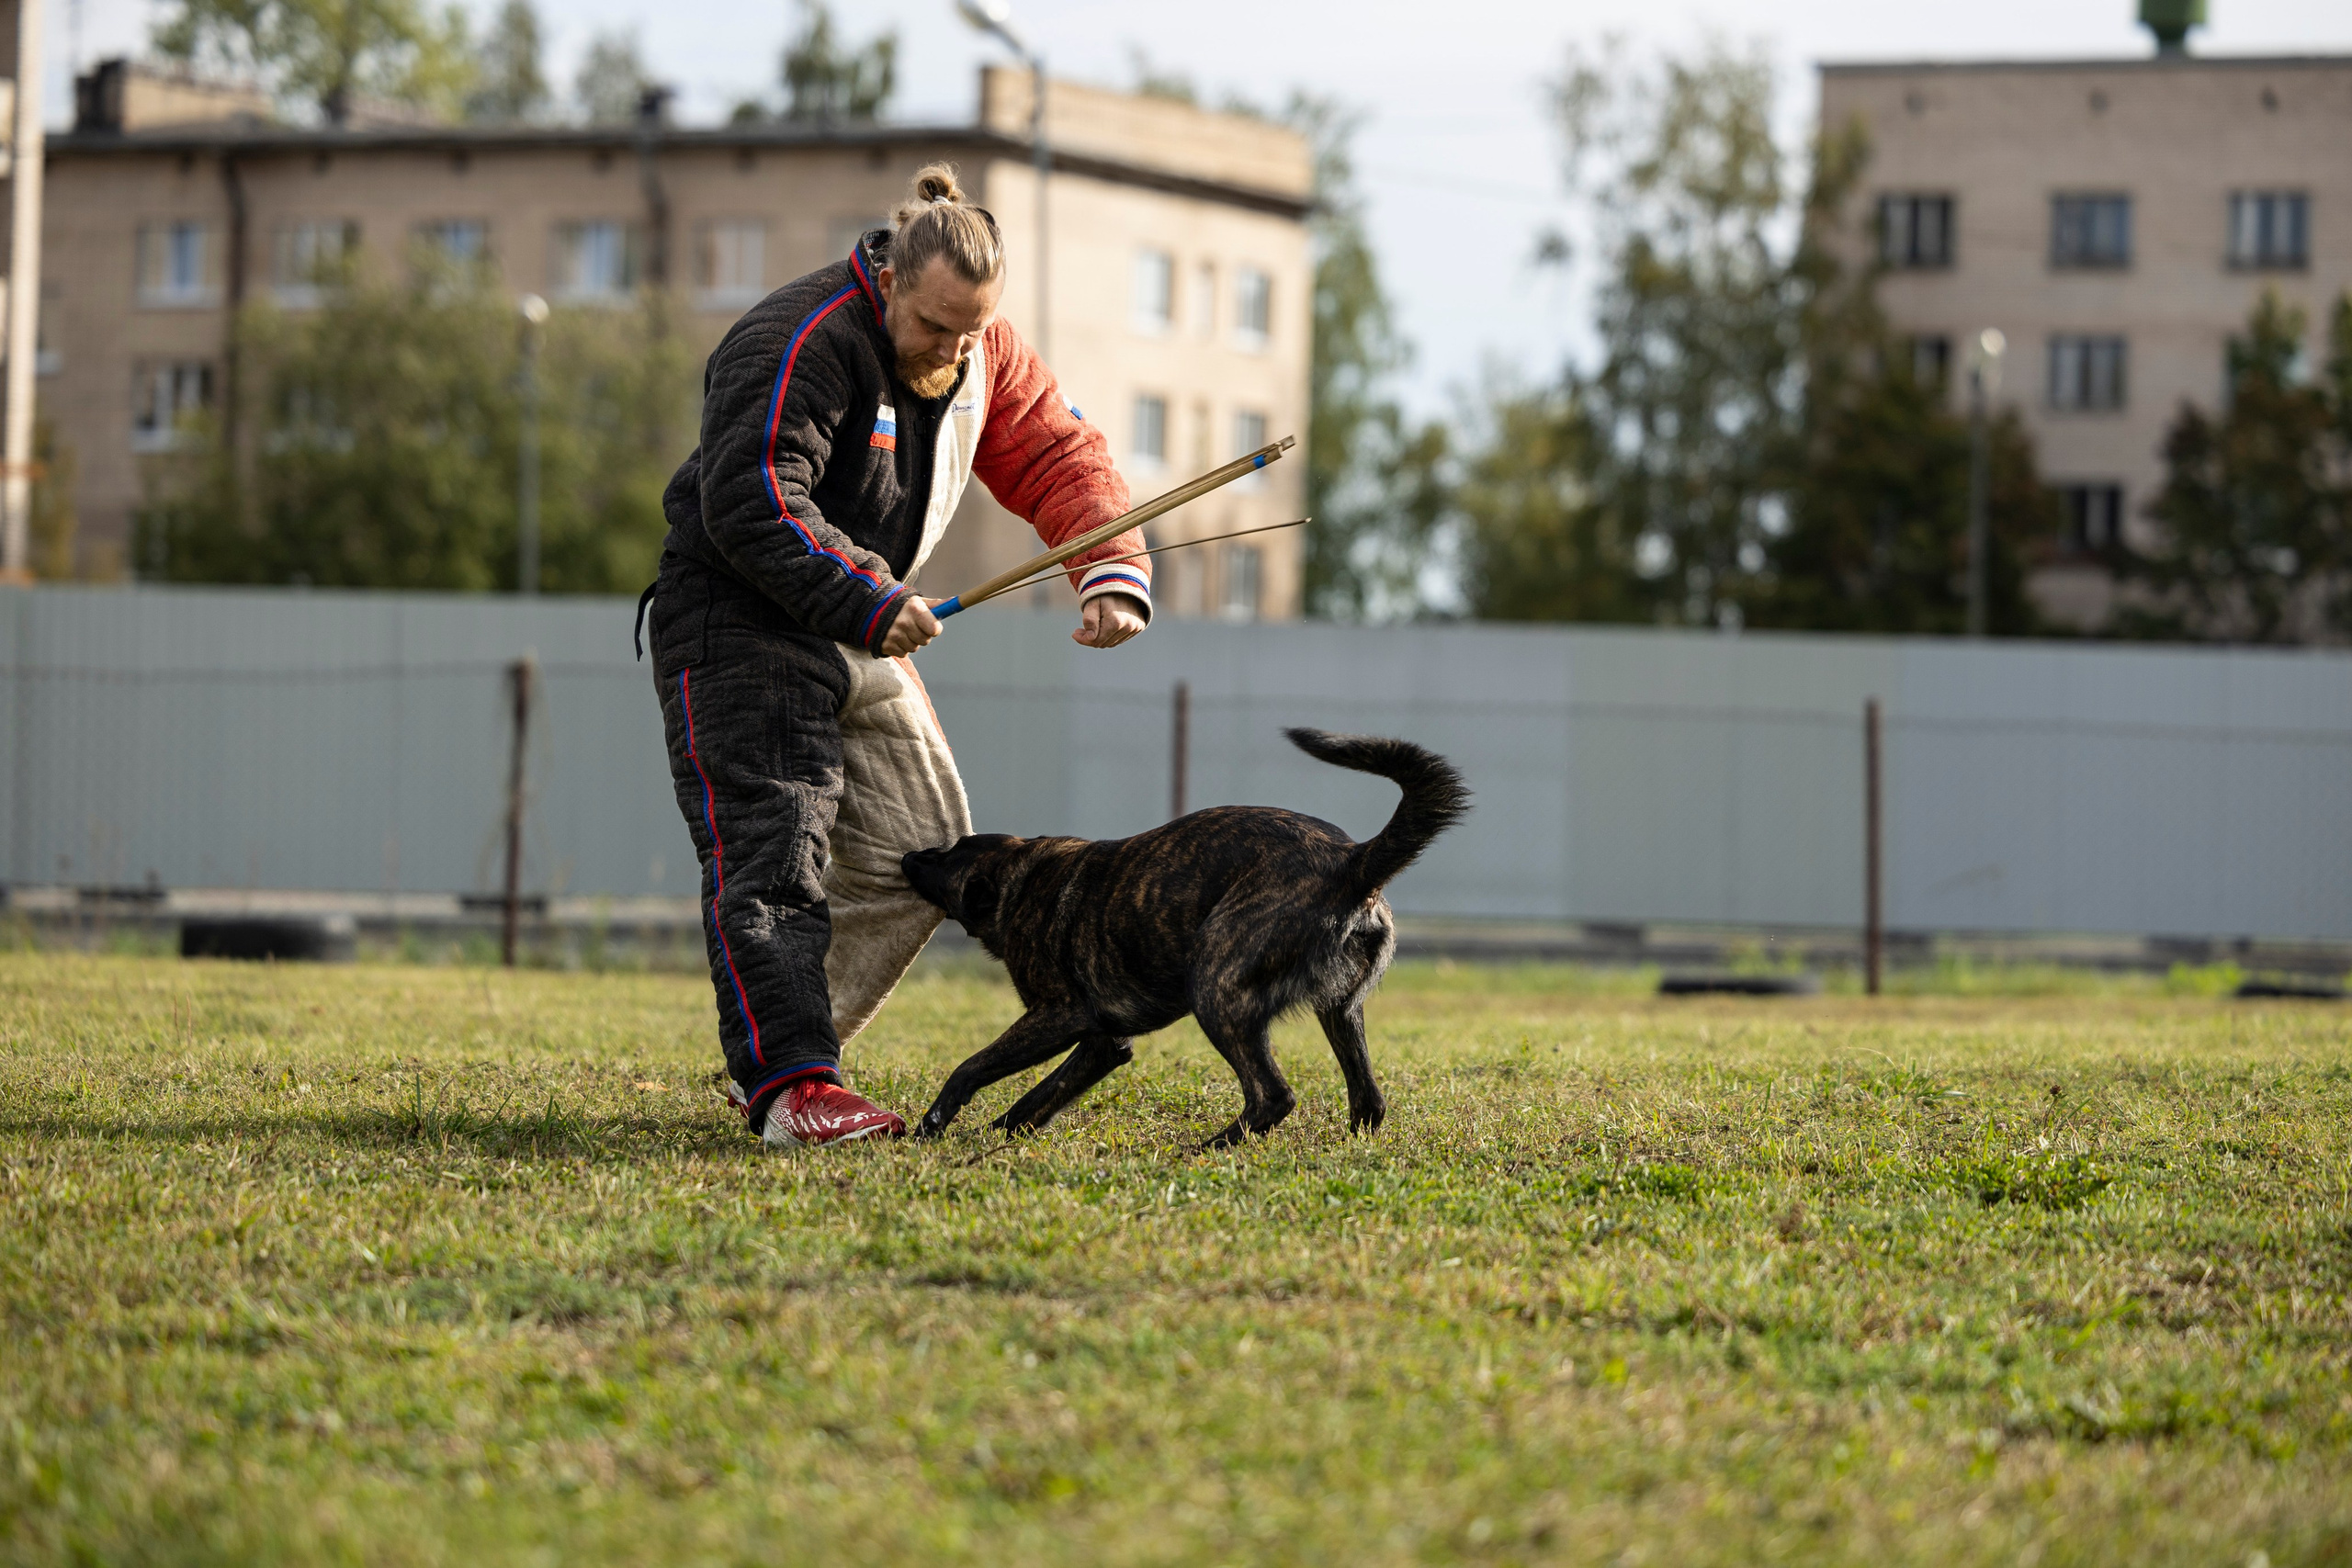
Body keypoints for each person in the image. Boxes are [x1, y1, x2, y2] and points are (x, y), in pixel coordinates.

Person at [642, 164, 1152, 1148]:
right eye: (933, 327)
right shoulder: (796, 337)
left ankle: (785, 1053)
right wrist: (873, 599)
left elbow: (1056, 454)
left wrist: (1109, 571)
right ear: (886, 284)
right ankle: (793, 1085)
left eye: (973, 332)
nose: (955, 351)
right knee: (777, 842)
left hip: (856, 616)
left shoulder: (980, 348)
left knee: (924, 843)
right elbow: (752, 501)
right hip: (740, 618)